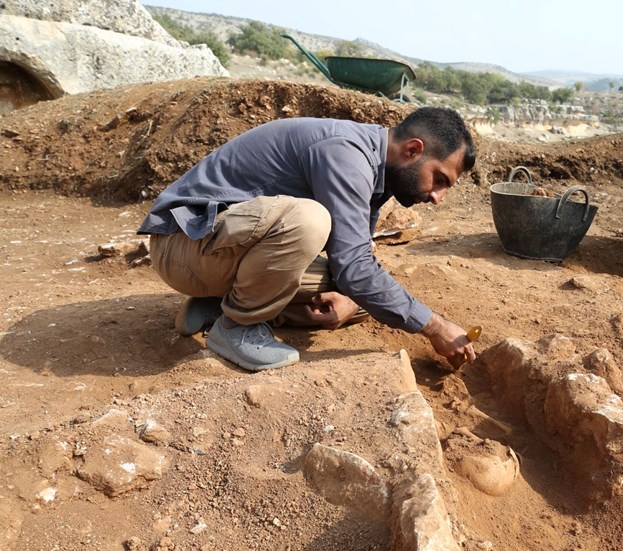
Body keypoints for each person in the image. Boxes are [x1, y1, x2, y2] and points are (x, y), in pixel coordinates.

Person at [138, 107, 478, 372]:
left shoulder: (378, 172)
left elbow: (356, 260)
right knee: (310, 222)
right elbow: (354, 267)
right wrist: (435, 326)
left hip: (218, 251)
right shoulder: (347, 154)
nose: (438, 198)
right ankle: (237, 326)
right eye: (440, 180)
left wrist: (348, 298)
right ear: (413, 150)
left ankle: (215, 305)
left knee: (363, 299)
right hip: (181, 244)